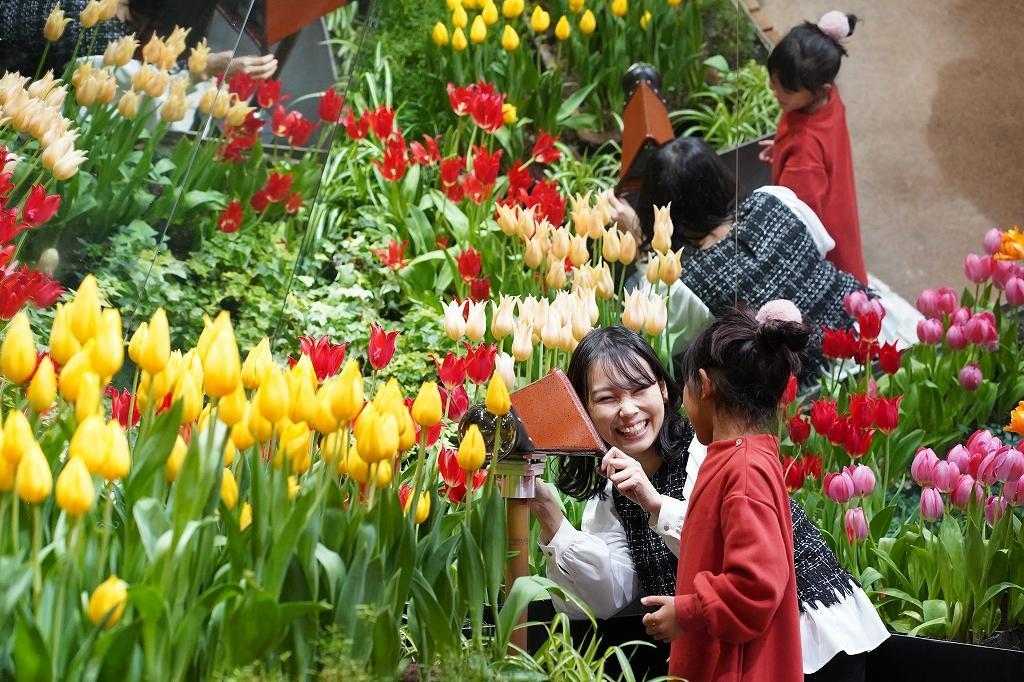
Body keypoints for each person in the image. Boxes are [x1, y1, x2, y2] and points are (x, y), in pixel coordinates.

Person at [530, 323, 888, 681]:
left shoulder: (713, 450)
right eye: (607, 398)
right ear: (584, 410)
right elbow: (607, 599)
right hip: (744, 645)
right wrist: (552, 519)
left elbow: (728, 556)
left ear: (665, 390)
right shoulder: (613, 494)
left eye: (640, 390)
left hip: (807, 632)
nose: (627, 410)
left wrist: (655, 504)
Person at [607, 135, 887, 383]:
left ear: (658, 210)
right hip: (868, 335)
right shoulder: (775, 198)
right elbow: (823, 246)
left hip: (804, 390)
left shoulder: (685, 286)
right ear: (720, 177)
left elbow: (658, 337)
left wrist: (644, 244)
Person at [759, 11, 867, 284]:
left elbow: (796, 221)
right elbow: (819, 148)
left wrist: (794, 158)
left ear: (819, 89)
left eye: (786, 90)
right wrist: (784, 150)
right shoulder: (827, 100)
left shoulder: (805, 153)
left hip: (824, 238)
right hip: (838, 206)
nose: (775, 91)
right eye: (773, 80)